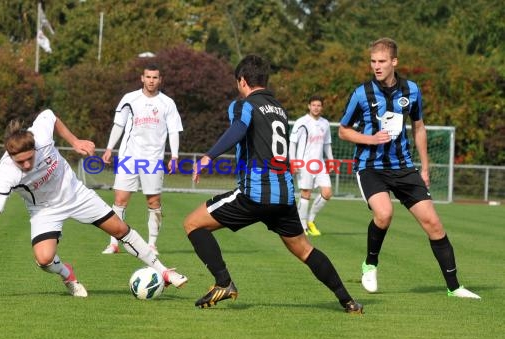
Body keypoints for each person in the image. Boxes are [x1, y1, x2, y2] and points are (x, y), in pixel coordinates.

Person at [183, 55, 363, 313]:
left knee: (192, 224)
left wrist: (207, 157)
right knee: (304, 249)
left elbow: (238, 129)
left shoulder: (243, 105)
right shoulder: (279, 108)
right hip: (284, 196)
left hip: (255, 193)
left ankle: (224, 283)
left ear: (242, 80)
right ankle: (348, 301)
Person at [0, 109, 187, 297]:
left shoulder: (41, 135)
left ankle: (164, 272)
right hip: (44, 210)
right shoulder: (6, 172)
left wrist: (75, 140)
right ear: (10, 157)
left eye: (30, 158)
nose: (27, 165)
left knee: (120, 229)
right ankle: (66, 272)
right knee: (44, 259)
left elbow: (51, 115)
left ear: (34, 147)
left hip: (75, 193)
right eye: (21, 162)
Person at [338, 37, 480, 299]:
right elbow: (343, 132)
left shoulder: (411, 90)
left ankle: (454, 287)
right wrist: (370, 139)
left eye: (381, 61)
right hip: (371, 167)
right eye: (373, 61)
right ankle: (370, 264)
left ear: (394, 62)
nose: (376, 66)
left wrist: (424, 168)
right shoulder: (361, 93)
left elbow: (419, 127)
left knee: (434, 224)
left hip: (403, 167)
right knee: (384, 214)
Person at [101, 63, 183, 256]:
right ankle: (113, 243)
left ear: (160, 79)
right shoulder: (129, 99)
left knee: (153, 201)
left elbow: (174, 131)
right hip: (129, 156)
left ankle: (152, 244)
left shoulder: (167, 103)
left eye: (155, 77)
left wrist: (175, 156)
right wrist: (109, 148)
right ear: (142, 78)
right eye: (148, 77)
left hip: (153, 159)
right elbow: (118, 125)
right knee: (120, 200)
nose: (151, 81)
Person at [289, 95, 334, 236]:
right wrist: (293, 161)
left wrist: (331, 160)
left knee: (327, 192)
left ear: (322, 107)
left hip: (319, 164)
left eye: (319, 105)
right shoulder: (301, 122)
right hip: (304, 163)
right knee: (306, 194)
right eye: (313, 105)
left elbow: (327, 144)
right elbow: (293, 142)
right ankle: (302, 226)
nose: (316, 108)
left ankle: (310, 220)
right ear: (309, 106)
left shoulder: (325, 123)